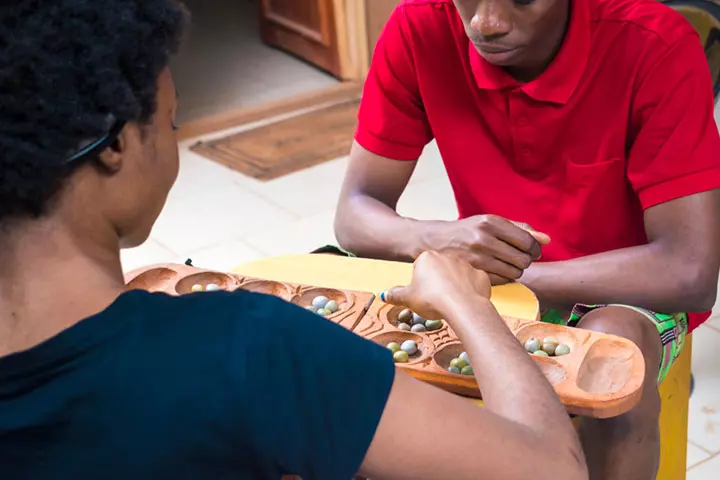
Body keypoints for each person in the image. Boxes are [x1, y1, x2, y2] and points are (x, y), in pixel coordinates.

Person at [0, 1, 589, 478]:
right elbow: (549, 468)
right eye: (171, 122)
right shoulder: (248, 351)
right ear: (116, 146)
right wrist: (466, 302)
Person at [335, 0, 720, 479]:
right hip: (493, 280)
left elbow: (690, 271)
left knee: (608, 352)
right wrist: (440, 239)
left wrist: (504, 281)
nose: (485, 22)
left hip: (627, 290)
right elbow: (354, 213)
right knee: (346, 351)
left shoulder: (653, 44)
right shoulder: (420, 27)